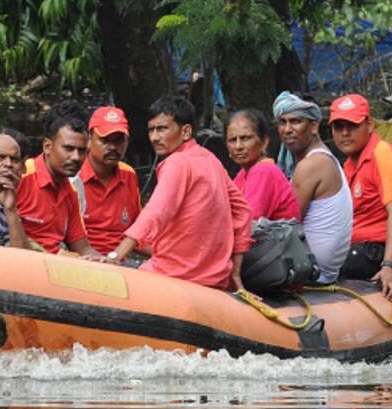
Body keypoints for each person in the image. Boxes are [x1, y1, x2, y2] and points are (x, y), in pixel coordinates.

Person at [108, 96, 252, 290]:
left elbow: (156, 211)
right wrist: (235, 273)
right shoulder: (211, 159)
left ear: (185, 131)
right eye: (151, 130)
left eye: (162, 129)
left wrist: (116, 256)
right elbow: (243, 210)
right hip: (215, 279)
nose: (154, 137)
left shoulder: (176, 163)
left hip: (173, 274)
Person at [330, 94, 392, 299]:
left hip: (390, 257)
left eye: (352, 126)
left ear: (370, 125)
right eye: (339, 127)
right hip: (360, 249)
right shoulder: (348, 166)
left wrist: (389, 266)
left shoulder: (385, 156)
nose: (345, 133)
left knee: (342, 261)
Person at [273, 91, 352, 284]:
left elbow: (283, 224)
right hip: (316, 267)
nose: (287, 129)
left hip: (313, 272)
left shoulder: (312, 164)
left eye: (295, 122)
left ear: (314, 126)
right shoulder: (321, 157)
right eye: (282, 122)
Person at [15, 100, 101, 256]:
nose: (76, 157)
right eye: (68, 148)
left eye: (82, 151)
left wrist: (109, 264)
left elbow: (82, 248)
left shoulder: (72, 192)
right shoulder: (20, 177)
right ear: (47, 146)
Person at [71, 106, 142, 254]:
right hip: (80, 259)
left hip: (119, 260)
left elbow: (138, 232)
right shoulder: (72, 174)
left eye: (119, 140)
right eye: (105, 140)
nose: (113, 147)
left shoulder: (129, 175)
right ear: (88, 140)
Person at [225, 108, 301, 221]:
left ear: (264, 142)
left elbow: (246, 222)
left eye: (245, 138)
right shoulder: (244, 173)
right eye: (232, 140)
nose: (238, 146)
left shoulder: (264, 171)